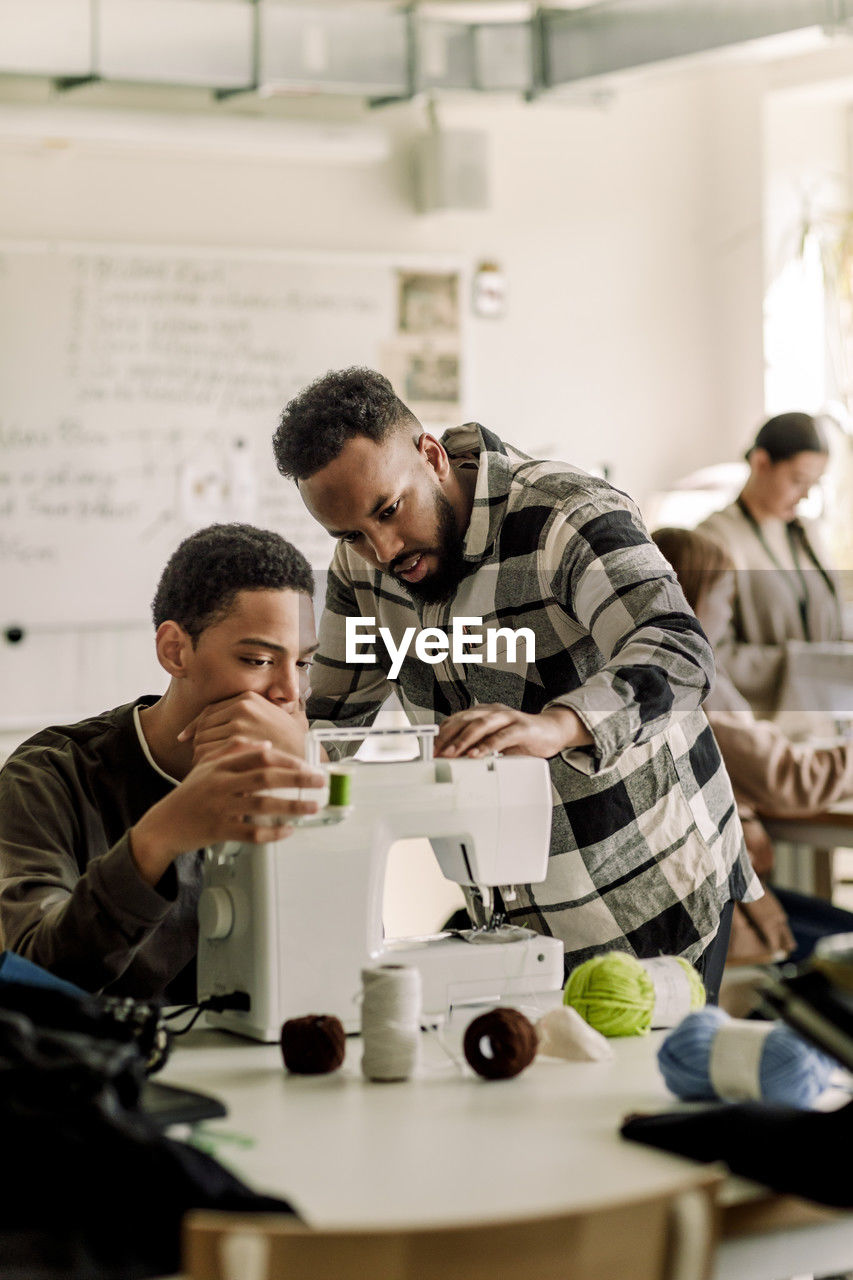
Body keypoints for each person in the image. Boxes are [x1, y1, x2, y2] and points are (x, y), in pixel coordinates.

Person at [272, 367, 760, 997]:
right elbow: (333, 720)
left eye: (389, 511)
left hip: (654, 888)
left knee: (644, 1091)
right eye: (352, 536)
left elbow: (678, 646)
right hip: (513, 915)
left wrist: (556, 726)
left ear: (431, 454)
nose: (383, 550)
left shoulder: (566, 515)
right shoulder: (358, 568)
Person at [0, 523, 325, 1001]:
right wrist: (160, 836)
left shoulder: (294, 773)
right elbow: (33, 980)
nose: (289, 694)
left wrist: (315, 777)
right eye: (258, 660)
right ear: (175, 650)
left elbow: (341, 959)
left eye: (301, 664)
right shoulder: (47, 778)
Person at [652, 524, 853, 965]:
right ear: (690, 599)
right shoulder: (691, 682)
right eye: (724, 599)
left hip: (721, 891)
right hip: (721, 907)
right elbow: (789, 778)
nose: (728, 614)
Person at [698, 412, 845, 718]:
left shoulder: (805, 531)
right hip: (766, 728)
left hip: (828, 712)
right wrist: (812, 666)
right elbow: (712, 656)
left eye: (814, 484)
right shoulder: (713, 541)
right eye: (798, 481)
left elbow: (828, 618)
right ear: (761, 463)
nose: (805, 495)